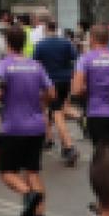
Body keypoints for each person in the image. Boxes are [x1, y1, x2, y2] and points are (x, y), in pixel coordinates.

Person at [0, 25, 56, 216]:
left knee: (7, 173)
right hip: (36, 125)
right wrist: (41, 103)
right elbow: (51, 93)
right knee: (33, 171)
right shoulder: (36, 66)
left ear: (7, 43)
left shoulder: (1, 67)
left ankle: (29, 195)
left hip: (12, 126)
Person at [33, 19, 81, 167]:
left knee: (54, 111)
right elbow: (75, 58)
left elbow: (36, 63)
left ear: (46, 29)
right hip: (65, 80)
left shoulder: (41, 44)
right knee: (50, 109)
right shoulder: (66, 43)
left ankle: (68, 146)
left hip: (48, 82)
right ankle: (48, 139)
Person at [69, 24, 109, 151]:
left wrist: (91, 87)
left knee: (101, 156)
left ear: (92, 39)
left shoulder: (85, 59)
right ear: (108, 39)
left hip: (96, 114)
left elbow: (76, 89)